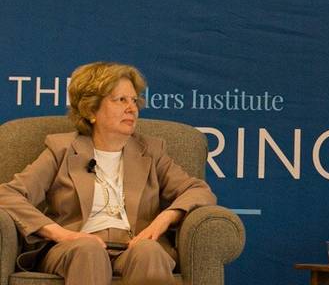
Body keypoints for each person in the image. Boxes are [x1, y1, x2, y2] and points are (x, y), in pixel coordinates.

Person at [0, 62, 217, 285]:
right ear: (91, 110)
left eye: (134, 100)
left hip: (133, 247)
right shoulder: (62, 150)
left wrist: (164, 219)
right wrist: (60, 234)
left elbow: (198, 190)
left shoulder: (152, 152)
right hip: (76, 249)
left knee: (149, 252)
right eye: (120, 100)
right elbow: (7, 195)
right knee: (88, 249)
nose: (132, 108)